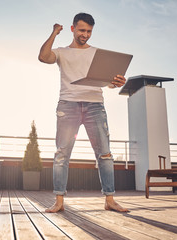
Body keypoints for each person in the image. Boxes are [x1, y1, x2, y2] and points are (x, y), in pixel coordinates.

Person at [38, 12, 129, 213]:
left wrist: (116, 83)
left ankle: (110, 200)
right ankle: (59, 201)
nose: (85, 35)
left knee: (105, 154)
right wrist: (54, 33)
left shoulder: (98, 53)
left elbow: (107, 83)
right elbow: (43, 57)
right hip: (68, 105)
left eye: (89, 31)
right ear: (72, 29)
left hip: (95, 106)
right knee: (62, 154)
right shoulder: (61, 52)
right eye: (81, 30)